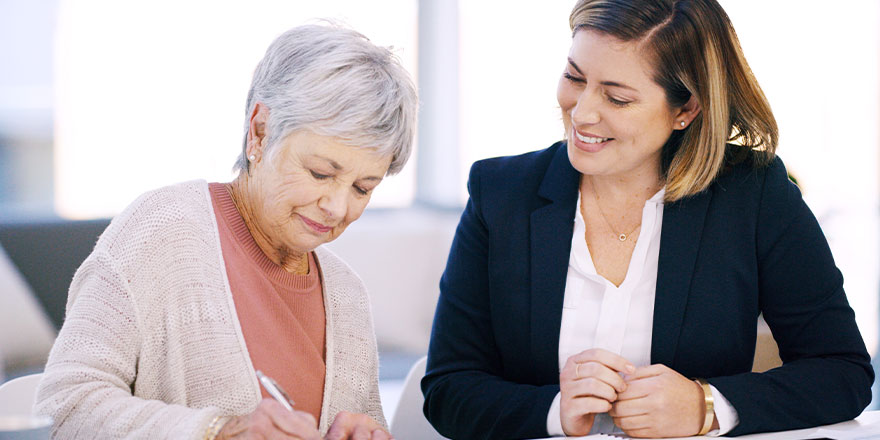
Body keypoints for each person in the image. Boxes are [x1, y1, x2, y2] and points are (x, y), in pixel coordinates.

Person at [421, 0, 873, 438]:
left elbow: (842, 371)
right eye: (574, 78)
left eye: (617, 98)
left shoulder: (752, 194)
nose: (581, 112)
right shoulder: (499, 193)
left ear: (686, 110)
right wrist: (556, 411)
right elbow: (448, 389)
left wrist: (707, 406)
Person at [35, 23, 417, 440]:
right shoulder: (163, 229)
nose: (338, 207)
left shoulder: (347, 293)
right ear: (259, 131)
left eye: (364, 187)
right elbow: (65, 406)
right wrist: (218, 432)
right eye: (321, 173)